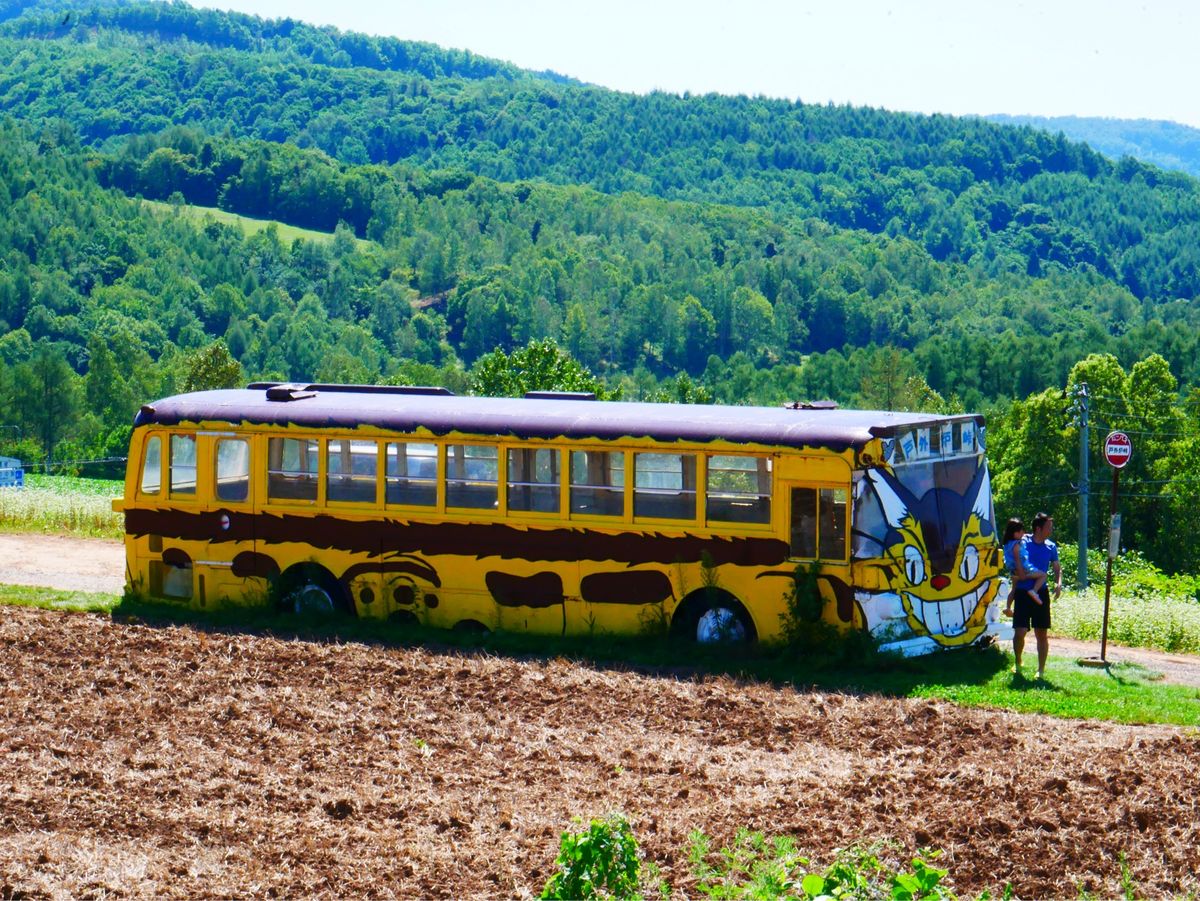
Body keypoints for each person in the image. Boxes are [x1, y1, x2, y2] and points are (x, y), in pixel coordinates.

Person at [1013, 512, 1061, 679]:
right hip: (1022, 591)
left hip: (1041, 593)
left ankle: (1040, 670)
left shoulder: (1051, 546)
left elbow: (1056, 567)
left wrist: (1058, 582)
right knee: (1020, 631)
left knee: (1041, 633)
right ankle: (1018, 662)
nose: (1051, 530)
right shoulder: (1024, 542)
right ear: (1038, 528)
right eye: (1049, 527)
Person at [1001, 517, 1046, 617]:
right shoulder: (1017, 545)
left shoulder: (1008, 544)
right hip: (1023, 570)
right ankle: (1034, 591)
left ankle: (1008, 607)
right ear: (1015, 533)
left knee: (1013, 589)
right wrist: (1022, 574)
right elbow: (1018, 560)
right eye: (1021, 532)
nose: (1023, 533)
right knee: (1043, 575)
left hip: (1013, 571)